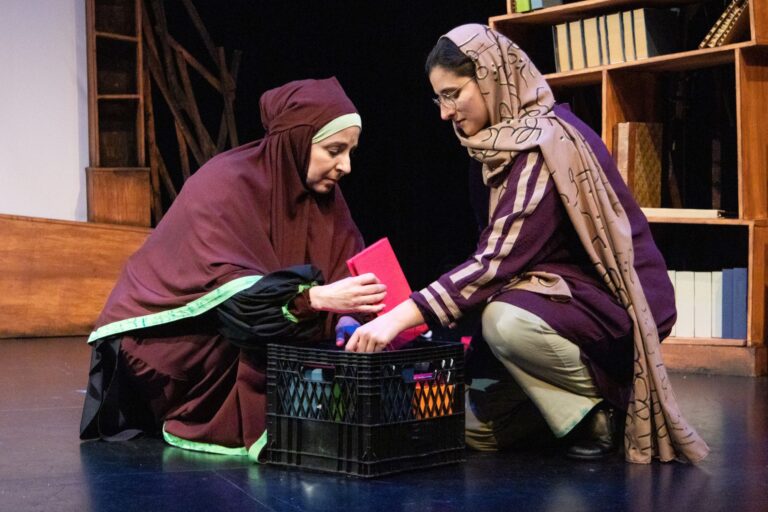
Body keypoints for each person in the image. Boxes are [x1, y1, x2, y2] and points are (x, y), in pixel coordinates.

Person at [344, 24, 709, 464]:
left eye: (453, 93)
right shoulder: (497, 143)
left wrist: (400, 318)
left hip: (613, 309)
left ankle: (607, 402)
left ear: (492, 76)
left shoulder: (542, 144)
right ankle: (570, 413)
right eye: (438, 97)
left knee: (505, 322)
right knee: (465, 427)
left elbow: (497, 261)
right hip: (558, 305)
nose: (445, 112)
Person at [79, 77, 387, 462]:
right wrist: (315, 298)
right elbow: (238, 311)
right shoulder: (224, 184)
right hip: (177, 337)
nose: (345, 166)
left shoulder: (326, 198)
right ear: (295, 141)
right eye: (334, 150)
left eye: (350, 152)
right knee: (246, 334)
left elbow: (350, 269)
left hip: (263, 324)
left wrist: (351, 318)